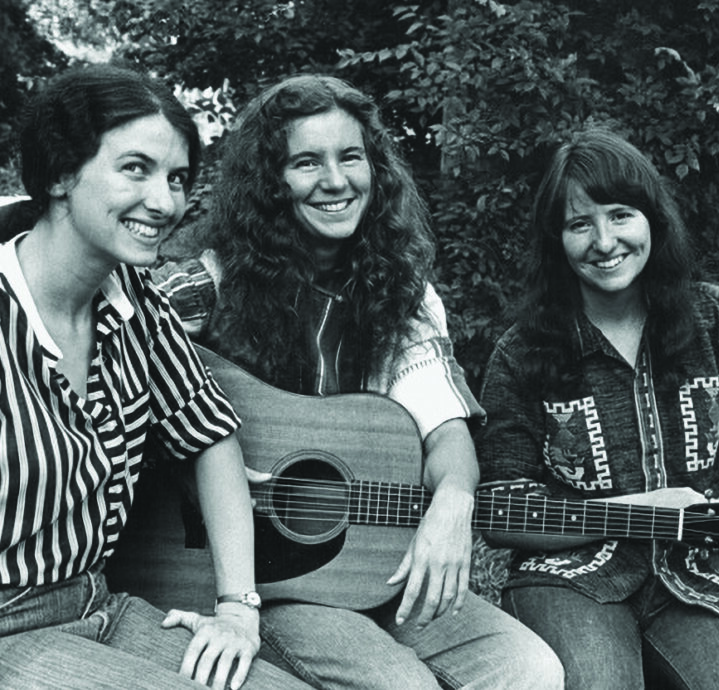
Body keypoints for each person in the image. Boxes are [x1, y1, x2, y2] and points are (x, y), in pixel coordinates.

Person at [154, 74, 563, 689]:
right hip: (257, 581)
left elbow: (443, 426)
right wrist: (192, 462)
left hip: (376, 565)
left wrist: (454, 499)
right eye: (305, 162)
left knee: (530, 671)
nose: (337, 181)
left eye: (351, 156)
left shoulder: (404, 294)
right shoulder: (203, 291)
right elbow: (109, 391)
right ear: (270, 183)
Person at [473, 128, 719, 690]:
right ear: (555, 241)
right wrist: (642, 509)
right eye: (578, 224)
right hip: (570, 579)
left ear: (651, 220)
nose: (603, 240)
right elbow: (501, 511)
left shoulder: (708, 316)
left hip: (703, 577)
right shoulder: (524, 352)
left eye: (620, 215)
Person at [0, 64, 311, 689]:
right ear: (62, 172)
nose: (166, 202)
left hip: (96, 606)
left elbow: (210, 433)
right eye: (135, 169)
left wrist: (237, 609)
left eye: (176, 178)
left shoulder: (136, 301)